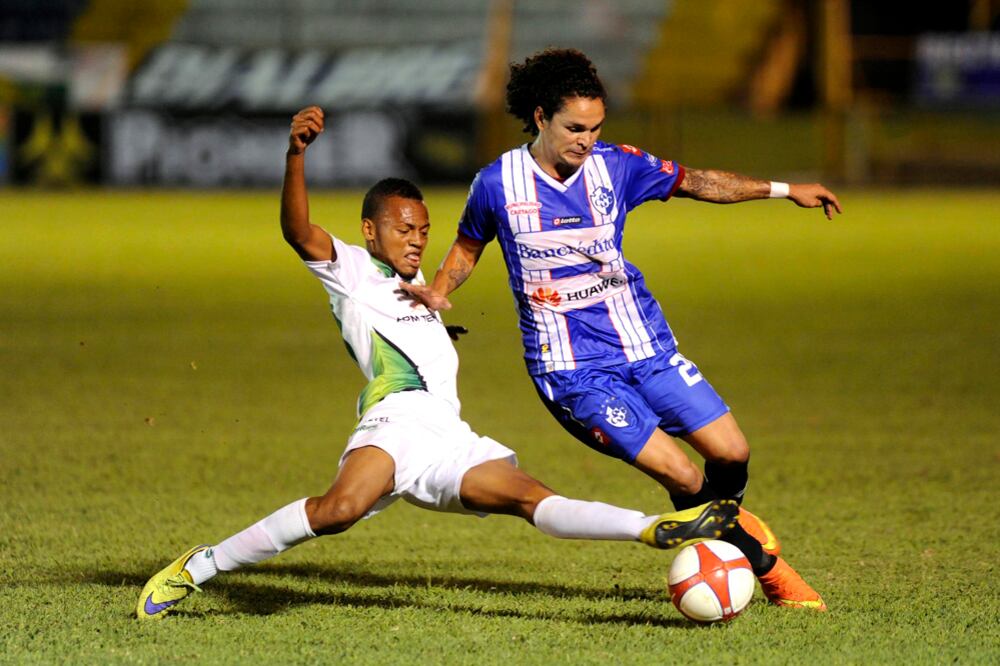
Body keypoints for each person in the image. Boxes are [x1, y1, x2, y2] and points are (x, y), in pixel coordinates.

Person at [135, 105, 739, 621]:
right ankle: (201, 565)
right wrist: (296, 155)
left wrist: (437, 327)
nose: (417, 240)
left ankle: (648, 528)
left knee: (530, 499)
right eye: (404, 230)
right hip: (396, 422)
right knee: (339, 511)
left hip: (449, 436)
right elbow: (298, 231)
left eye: (423, 230)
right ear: (370, 231)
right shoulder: (351, 270)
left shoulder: (419, 285)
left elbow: (416, 324)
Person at [401, 49, 841, 610]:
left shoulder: (616, 166)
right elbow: (468, 246)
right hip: (572, 370)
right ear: (541, 118)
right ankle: (768, 570)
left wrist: (782, 189)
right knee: (681, 474)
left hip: (645, 345)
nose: (587, 140)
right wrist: (440, 290)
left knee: (732, 452)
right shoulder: (497, 183)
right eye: (575, 128)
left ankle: (726, 517)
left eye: (596, 128)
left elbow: (698, 182)